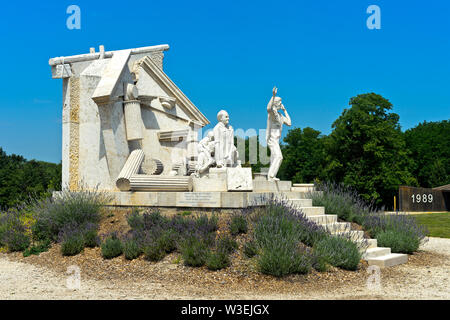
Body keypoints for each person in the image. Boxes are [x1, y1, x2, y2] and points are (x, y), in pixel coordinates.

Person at [266, 87, 291, 181]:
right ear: (276, 104)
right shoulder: (272, 113)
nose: (281, 104)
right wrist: (273, 96)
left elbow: (289, 122)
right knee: (279, 156)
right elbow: (268, 108)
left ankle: (270, 177)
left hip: (277, 139)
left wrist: (285, 111)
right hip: (271, 139)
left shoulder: (280, 116)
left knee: (274, 159)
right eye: (280, 102)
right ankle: (271, 176)